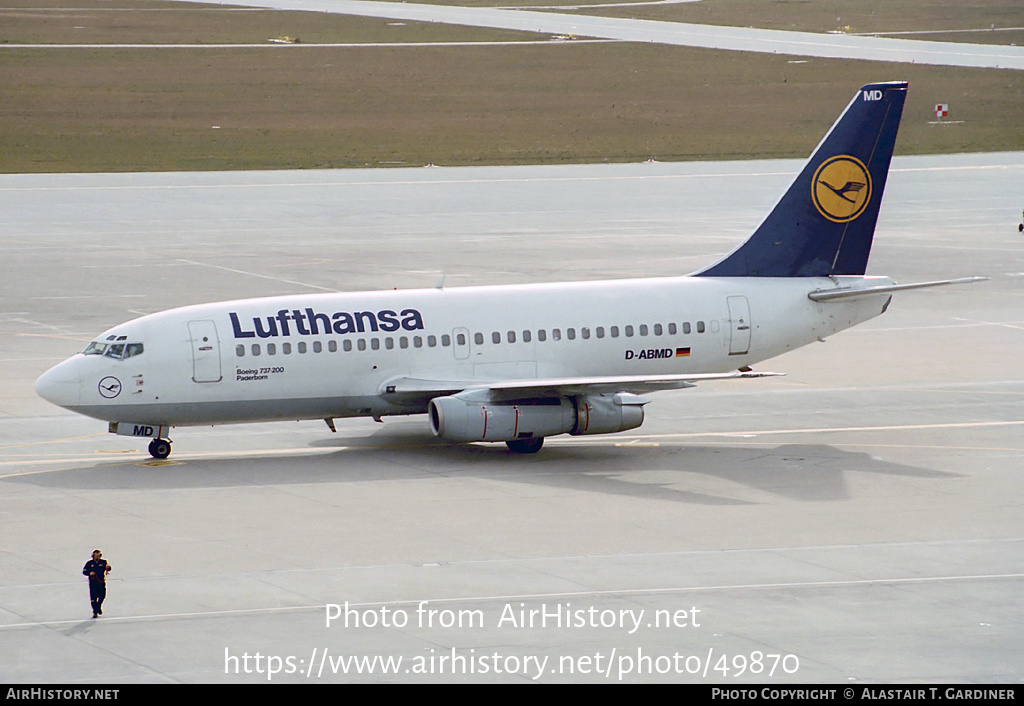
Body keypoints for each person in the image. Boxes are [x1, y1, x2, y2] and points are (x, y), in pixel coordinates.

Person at [82, 549, 111, 618]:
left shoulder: (103, 562)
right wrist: (89, 573)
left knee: (102, 595)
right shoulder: (89, 563)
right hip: (93, 582)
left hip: (101, 582)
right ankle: (95, 611)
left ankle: (98, 606)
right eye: (96, 555)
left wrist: (108, 567)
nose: (97, 557)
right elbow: (84, 571)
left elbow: (108, 568)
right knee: (93, 598)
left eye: (98, 555)